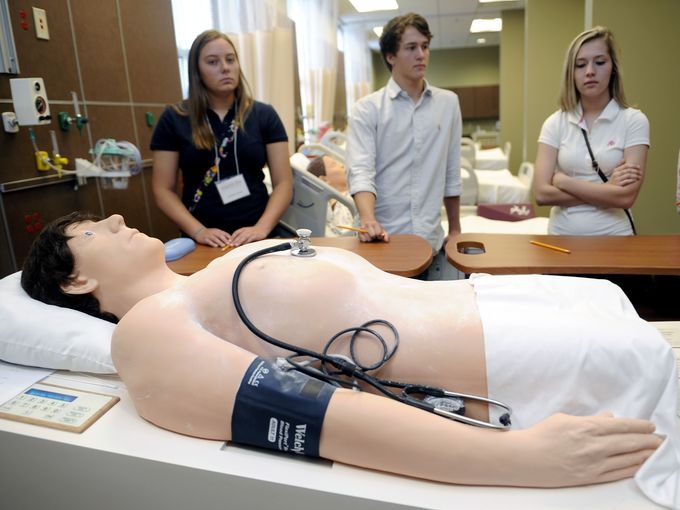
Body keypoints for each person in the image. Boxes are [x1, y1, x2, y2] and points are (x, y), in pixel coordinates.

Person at [20, 212, 680, 509]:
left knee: (623, 310)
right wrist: (523, 459)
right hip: (500, 359)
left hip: (493, 304)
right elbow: (318, 416)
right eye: (91, 231)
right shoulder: (146, 333)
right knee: (657, 364)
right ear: (77, 282)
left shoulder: (201, 281)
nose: (112, 217)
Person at [150, 30, 293, 248]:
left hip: (258, 234)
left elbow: (283, 183)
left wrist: (261, 228)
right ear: (197, 70)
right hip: (203, 239)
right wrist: (198, 231)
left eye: (230, 59)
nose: (225, 67)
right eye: (212, 62)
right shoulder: (175, 118)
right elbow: (163, 189)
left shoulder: (264, 115)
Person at [346, 13, 462, 279]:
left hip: (428, 242)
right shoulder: (367, 110)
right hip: (381, 241)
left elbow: (451, 172)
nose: (421, 54)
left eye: (425, 46)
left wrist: (455, 229)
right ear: (390, 56)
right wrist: (368, 219)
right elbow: (361, 171)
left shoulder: (448, 104)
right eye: (411, 48)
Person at [533, 26, 649, 236]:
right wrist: (607, 190)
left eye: (600, 62)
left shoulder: (634, 121)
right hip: (561, 241)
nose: (590, 71)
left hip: (616, 240)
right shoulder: (555, 123)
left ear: (613, 68)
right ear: (571, 72)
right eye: (580, 65)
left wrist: (564, 182)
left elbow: (625, 198)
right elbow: (541, 194)